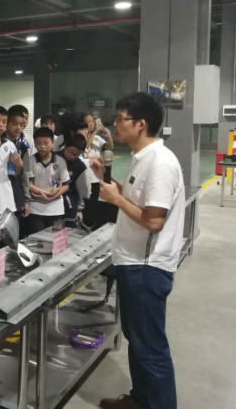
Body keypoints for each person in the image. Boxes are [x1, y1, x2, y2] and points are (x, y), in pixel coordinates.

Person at [94, 93, 184, 409]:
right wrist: (108, 184)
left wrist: (116, 199)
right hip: (132, 261)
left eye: (121, 119)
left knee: (150, 347)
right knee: (138, 340)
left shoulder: (161, 163)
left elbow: (154, 221)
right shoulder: (141, 156)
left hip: (146, 267)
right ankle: (141, 399)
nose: (115, 125)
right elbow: (139, 202)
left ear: (141, 124)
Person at [27, 127, 70, 234]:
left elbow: (66, 185)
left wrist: (52, 196)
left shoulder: (60, 161)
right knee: (36, 241)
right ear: (35, 144)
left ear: (53, 143)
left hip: (57, 210)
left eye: (46, 143)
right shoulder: (30, 161)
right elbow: (29, 185)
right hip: (36, 209)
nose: (42, 146)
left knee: (59, 241)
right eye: (38, 143)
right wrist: (48, 194)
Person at [3, 108, 31, 236]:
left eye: (21, 124)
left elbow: (25, 176)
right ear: (7, 123)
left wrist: (26, 200)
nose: (18, 128)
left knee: (15, 235)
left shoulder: (22, 147)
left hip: (16, 194)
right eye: (14, 124)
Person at [57, 134, 90, 228]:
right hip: (48, 203)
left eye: (78, 154)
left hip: (68, 206)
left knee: (60, 232)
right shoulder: (53, 157)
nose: (73, 156)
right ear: (65, 146)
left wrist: (79, 210)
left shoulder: (80, 166)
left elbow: (84, 189)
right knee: (46, 232)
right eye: (71, 152)